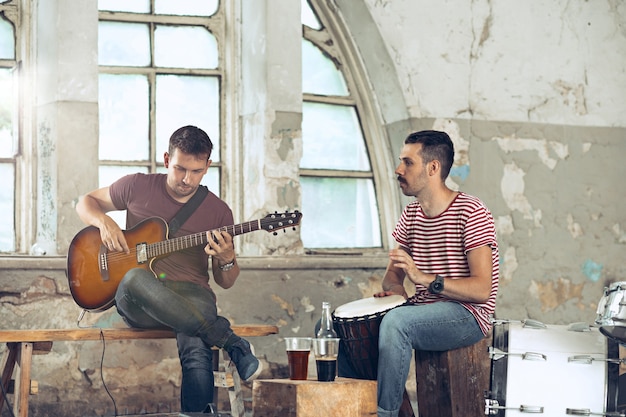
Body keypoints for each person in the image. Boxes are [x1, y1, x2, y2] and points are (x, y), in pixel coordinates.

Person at [75, 125, 262, 413]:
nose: (187, 179)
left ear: (208, 166)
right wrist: (104, 222)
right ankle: (230, 341)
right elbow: (85, 202)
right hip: (140, 298)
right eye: (180, 169)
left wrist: (227, 257)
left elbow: (225, 281)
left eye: (197, 171)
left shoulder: (219, 212)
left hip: (192, 295)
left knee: (197, 348)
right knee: (135, 276)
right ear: (166, 160)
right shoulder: (137, 185)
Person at [373, 130, 499, 417]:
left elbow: (482, 290)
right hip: (424, 311)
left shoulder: (472, 211)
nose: (398, 169)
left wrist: (425, 279)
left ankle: (384, 415)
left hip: (468, 315)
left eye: (407, 162)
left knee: (397, 324)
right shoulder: (411, 215)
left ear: (432, 168)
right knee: (347, 326)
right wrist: (394, 292)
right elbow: (393, 276)